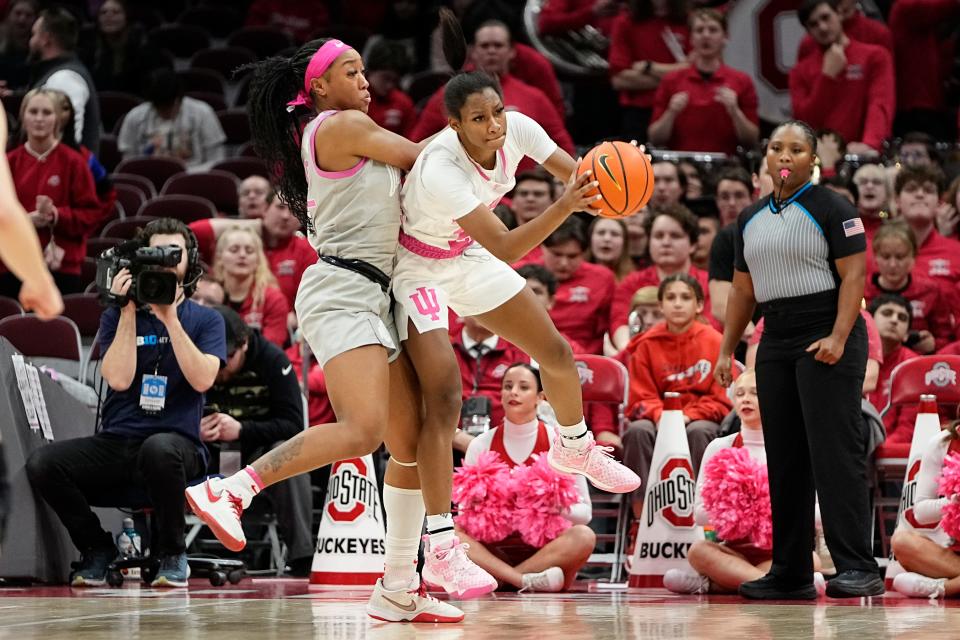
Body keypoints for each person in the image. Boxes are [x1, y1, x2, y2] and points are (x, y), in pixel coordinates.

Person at [182, 35, 472, 623]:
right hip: (344, 288)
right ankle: (231, 490)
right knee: (363, 432)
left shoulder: (350, 130)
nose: (364, 80)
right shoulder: (337, 126)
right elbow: (426, 159)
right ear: (318, 88)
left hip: (375, 291)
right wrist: (490, 130)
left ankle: (397, 586)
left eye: (366, 70)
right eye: (351, 70)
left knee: (410, 443)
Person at [390, 14, 641, 530]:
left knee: (554, 351)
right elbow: (505, 244)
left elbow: (584, 183)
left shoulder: (520, 127)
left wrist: (621, 170)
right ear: (455, 125)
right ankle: (437, 540)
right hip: (415, 268)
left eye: (498, 112)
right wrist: (567, 206)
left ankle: (574, 447)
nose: (495, 125)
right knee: (442, 399)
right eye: (479, 119)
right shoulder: (441, 167)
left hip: (463, 255)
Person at [714, 119, 883, 599]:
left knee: (834, 451)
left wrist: (838, 335)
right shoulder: (748, 219)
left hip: (827, 330)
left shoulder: (834, 207)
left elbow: (854, 278)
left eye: (795, 149)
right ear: (765, 159)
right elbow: (743, 291)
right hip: (776, 337)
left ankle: (858, 565)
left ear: (813, 161)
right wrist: (727, 349)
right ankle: (789, 571)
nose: (783, 156)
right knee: (783, 457)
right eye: (775, 148)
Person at [26, 218, 225, 588]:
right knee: (44, 463)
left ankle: (172, 553)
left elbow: (203, 379)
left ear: (190, 262)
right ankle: (97, 548)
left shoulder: (206, 320)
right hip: (118, 443)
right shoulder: (116, 315)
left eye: (174, 254)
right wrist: (130, 310)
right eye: (156, 254)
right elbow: (117, 379)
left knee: (159, 448)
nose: (165, 263)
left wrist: (170, 320)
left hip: (177, 447)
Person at [662, 369, 826, 595]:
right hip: (733, 551)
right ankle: (781, 585)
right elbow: (699, 514)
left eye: (755, 393)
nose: (745, 399)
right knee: (698, 551)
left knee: (810, 559)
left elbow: (818, 514)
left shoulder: (794, 447)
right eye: (739, 394)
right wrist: (741, 514)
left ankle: (714, 585)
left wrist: (768, 511)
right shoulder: (719, 447)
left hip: (781, 551)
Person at [457, 363, 596, 592]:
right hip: (492, 553)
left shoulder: (559, 443)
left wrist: (547, 504)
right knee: (451, 531)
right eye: (507, 386)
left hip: (548, 553)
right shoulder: (480, 445)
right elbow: (463, 514)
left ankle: (502, 581)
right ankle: (523, 581)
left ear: (540, 397)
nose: (513, 392)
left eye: (523, 387)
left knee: (584, 536)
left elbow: (585, 514)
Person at [202, 306, 313, 574]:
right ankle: (166, 553)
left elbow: (293, 425)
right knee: (167, 446)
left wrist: (242, 430)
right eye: (214, 359)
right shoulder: (199, 362)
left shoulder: (273, 360)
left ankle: (301, 557)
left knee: (287, 456)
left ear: (245, 343)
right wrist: (194, 429)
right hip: (208, 452)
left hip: (258, 455)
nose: (220, 368)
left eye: (226, 358)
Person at [621, 274, 731, 515]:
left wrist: (687, 416)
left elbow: (722, 400)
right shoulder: (646, 344)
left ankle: (702, 515)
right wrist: (664, 417)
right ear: (661, 306)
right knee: (637, 431)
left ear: (699, 305)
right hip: (658, 418)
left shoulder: (717, 342)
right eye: (670, 298)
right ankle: (640, 518)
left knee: (698, 431)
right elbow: (640, 398)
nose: (678, 303)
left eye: (685, 297)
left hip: (699, 420)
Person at [409, 20, 574, 160]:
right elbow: (417, 143)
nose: (491, 51)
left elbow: (562, 143)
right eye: (485, 45)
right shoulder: (449, 94)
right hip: (467, 188)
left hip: (524, 190)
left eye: (498, 45)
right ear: (473, 52)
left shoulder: (535, 97)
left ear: (511, 52)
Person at [2, 88, 101, 297]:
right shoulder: (8, 162)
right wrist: (24, 220)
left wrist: (57, 216)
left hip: (61, 267)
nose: (39, 119)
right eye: (33, 111)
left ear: (58, 119)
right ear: (23, 116)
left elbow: (91, 214)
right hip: (11, 266)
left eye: (47, 113)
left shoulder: (75, 162)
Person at [789, 0, 894, 155]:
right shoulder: (799, 71)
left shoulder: (875, 56)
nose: (822, 27)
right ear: (808, 31)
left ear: (839, 13)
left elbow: (879, 104)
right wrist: (826, 78)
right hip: (819, 157)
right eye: (813, 24)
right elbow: (805, 121)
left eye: (826, 18)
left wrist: (870, 144)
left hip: (863, 152)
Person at [647, 9, 759, 154]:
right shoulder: (671, 80)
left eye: (713, 30)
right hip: (682, 165)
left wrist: (735, 111)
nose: (706, 35)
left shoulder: (742, 81)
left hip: (727, 165)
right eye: (699, 30)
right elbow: (654, 138)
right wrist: (671, 112)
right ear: (691, 38)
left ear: (725, 37)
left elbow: (751, 139)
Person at [610, 203, 711, 350]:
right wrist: (629, 350)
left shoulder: (708, 283)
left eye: (675, 236)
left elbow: (710, 326)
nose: (666, 242)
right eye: (658, 236)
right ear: (649, 242)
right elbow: (619, 323)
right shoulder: (632, 282)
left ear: (693, 245)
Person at [890, 419, 960, 599]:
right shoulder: (941, 443)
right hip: (953, 556)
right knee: (902, 542)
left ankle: (944, 587)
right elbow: (920, 512)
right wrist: (952, 502)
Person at [864, 222, 955, 354]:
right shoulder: (861, 290)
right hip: (871, 362)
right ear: (875, 257)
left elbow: (947, 337)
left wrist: (934, 345)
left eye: (900, 257)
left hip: (918, 365)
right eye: (886, 256)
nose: (893, 264)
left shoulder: (930, 290)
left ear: (913, 257)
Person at [608, 0, 690, 142]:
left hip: (684, 109)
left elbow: (697, 69)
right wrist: (677, 75)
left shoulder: (689, 21)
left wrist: (649, 67)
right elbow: (619, 80)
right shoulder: (625, 22)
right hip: (639, 113)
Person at [117, 68, 226, 171]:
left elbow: (216, 162)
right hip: (151, 176)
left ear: (178, 98)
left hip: (193, 179)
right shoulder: (135, 117)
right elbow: (128, 163)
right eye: (159, 108)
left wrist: (184, 174)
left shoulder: (203, 113)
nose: (164, 112)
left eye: (169, 107)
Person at [27, 6, 100, 153]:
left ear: (46, 39)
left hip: (61, 173)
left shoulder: (66, 78)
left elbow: (70, 138)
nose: (31, 40)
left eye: (34, 34)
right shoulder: (55, 73)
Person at [539, 219, 615, 355]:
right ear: (542, 248)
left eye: (572, 256)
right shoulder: (522, 274)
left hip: (584, 361)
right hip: (531, 354)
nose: (563, 263)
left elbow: (611, 326)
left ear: (584, 253)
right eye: (557, 254)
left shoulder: (603, 278)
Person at [212, 225, 290, 348]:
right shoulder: (208, 296)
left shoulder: (273, 299)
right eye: (234, 249)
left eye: (249, 251)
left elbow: (270, 349)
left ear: (258, 260)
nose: (242, 255)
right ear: (219, 257)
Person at [77, 0, 169, 95]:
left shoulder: (144, 50)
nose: (108, 16)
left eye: (116, 12)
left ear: (127, 17)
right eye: (103, 12)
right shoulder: (90, 51)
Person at [894, 164, 960, 285]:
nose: (920, 194)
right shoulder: (874, 251)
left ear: (940, 202)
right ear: (897, 201)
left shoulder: (957, 253)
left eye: (928, 190)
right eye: (911, 189)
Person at [865, 294, 919, 440]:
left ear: (907, 334)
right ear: (868, 323)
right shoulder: (850, 358)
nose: (894, 320)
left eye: (902, 318)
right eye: (887, 313)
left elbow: (909, 426)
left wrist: (879, 450)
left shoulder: (913, 365)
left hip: (892, 451)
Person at [0, 0, 38, 92]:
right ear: (9, 15)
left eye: (28, 15)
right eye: (18, 13)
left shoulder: (38, 47)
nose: (22, 20)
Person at [586, 217, 634, 282]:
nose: (607, 238)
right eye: (601, 233)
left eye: (615, 234)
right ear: (590, 238)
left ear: (625, 242)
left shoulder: (634, 279)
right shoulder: (574, 273)